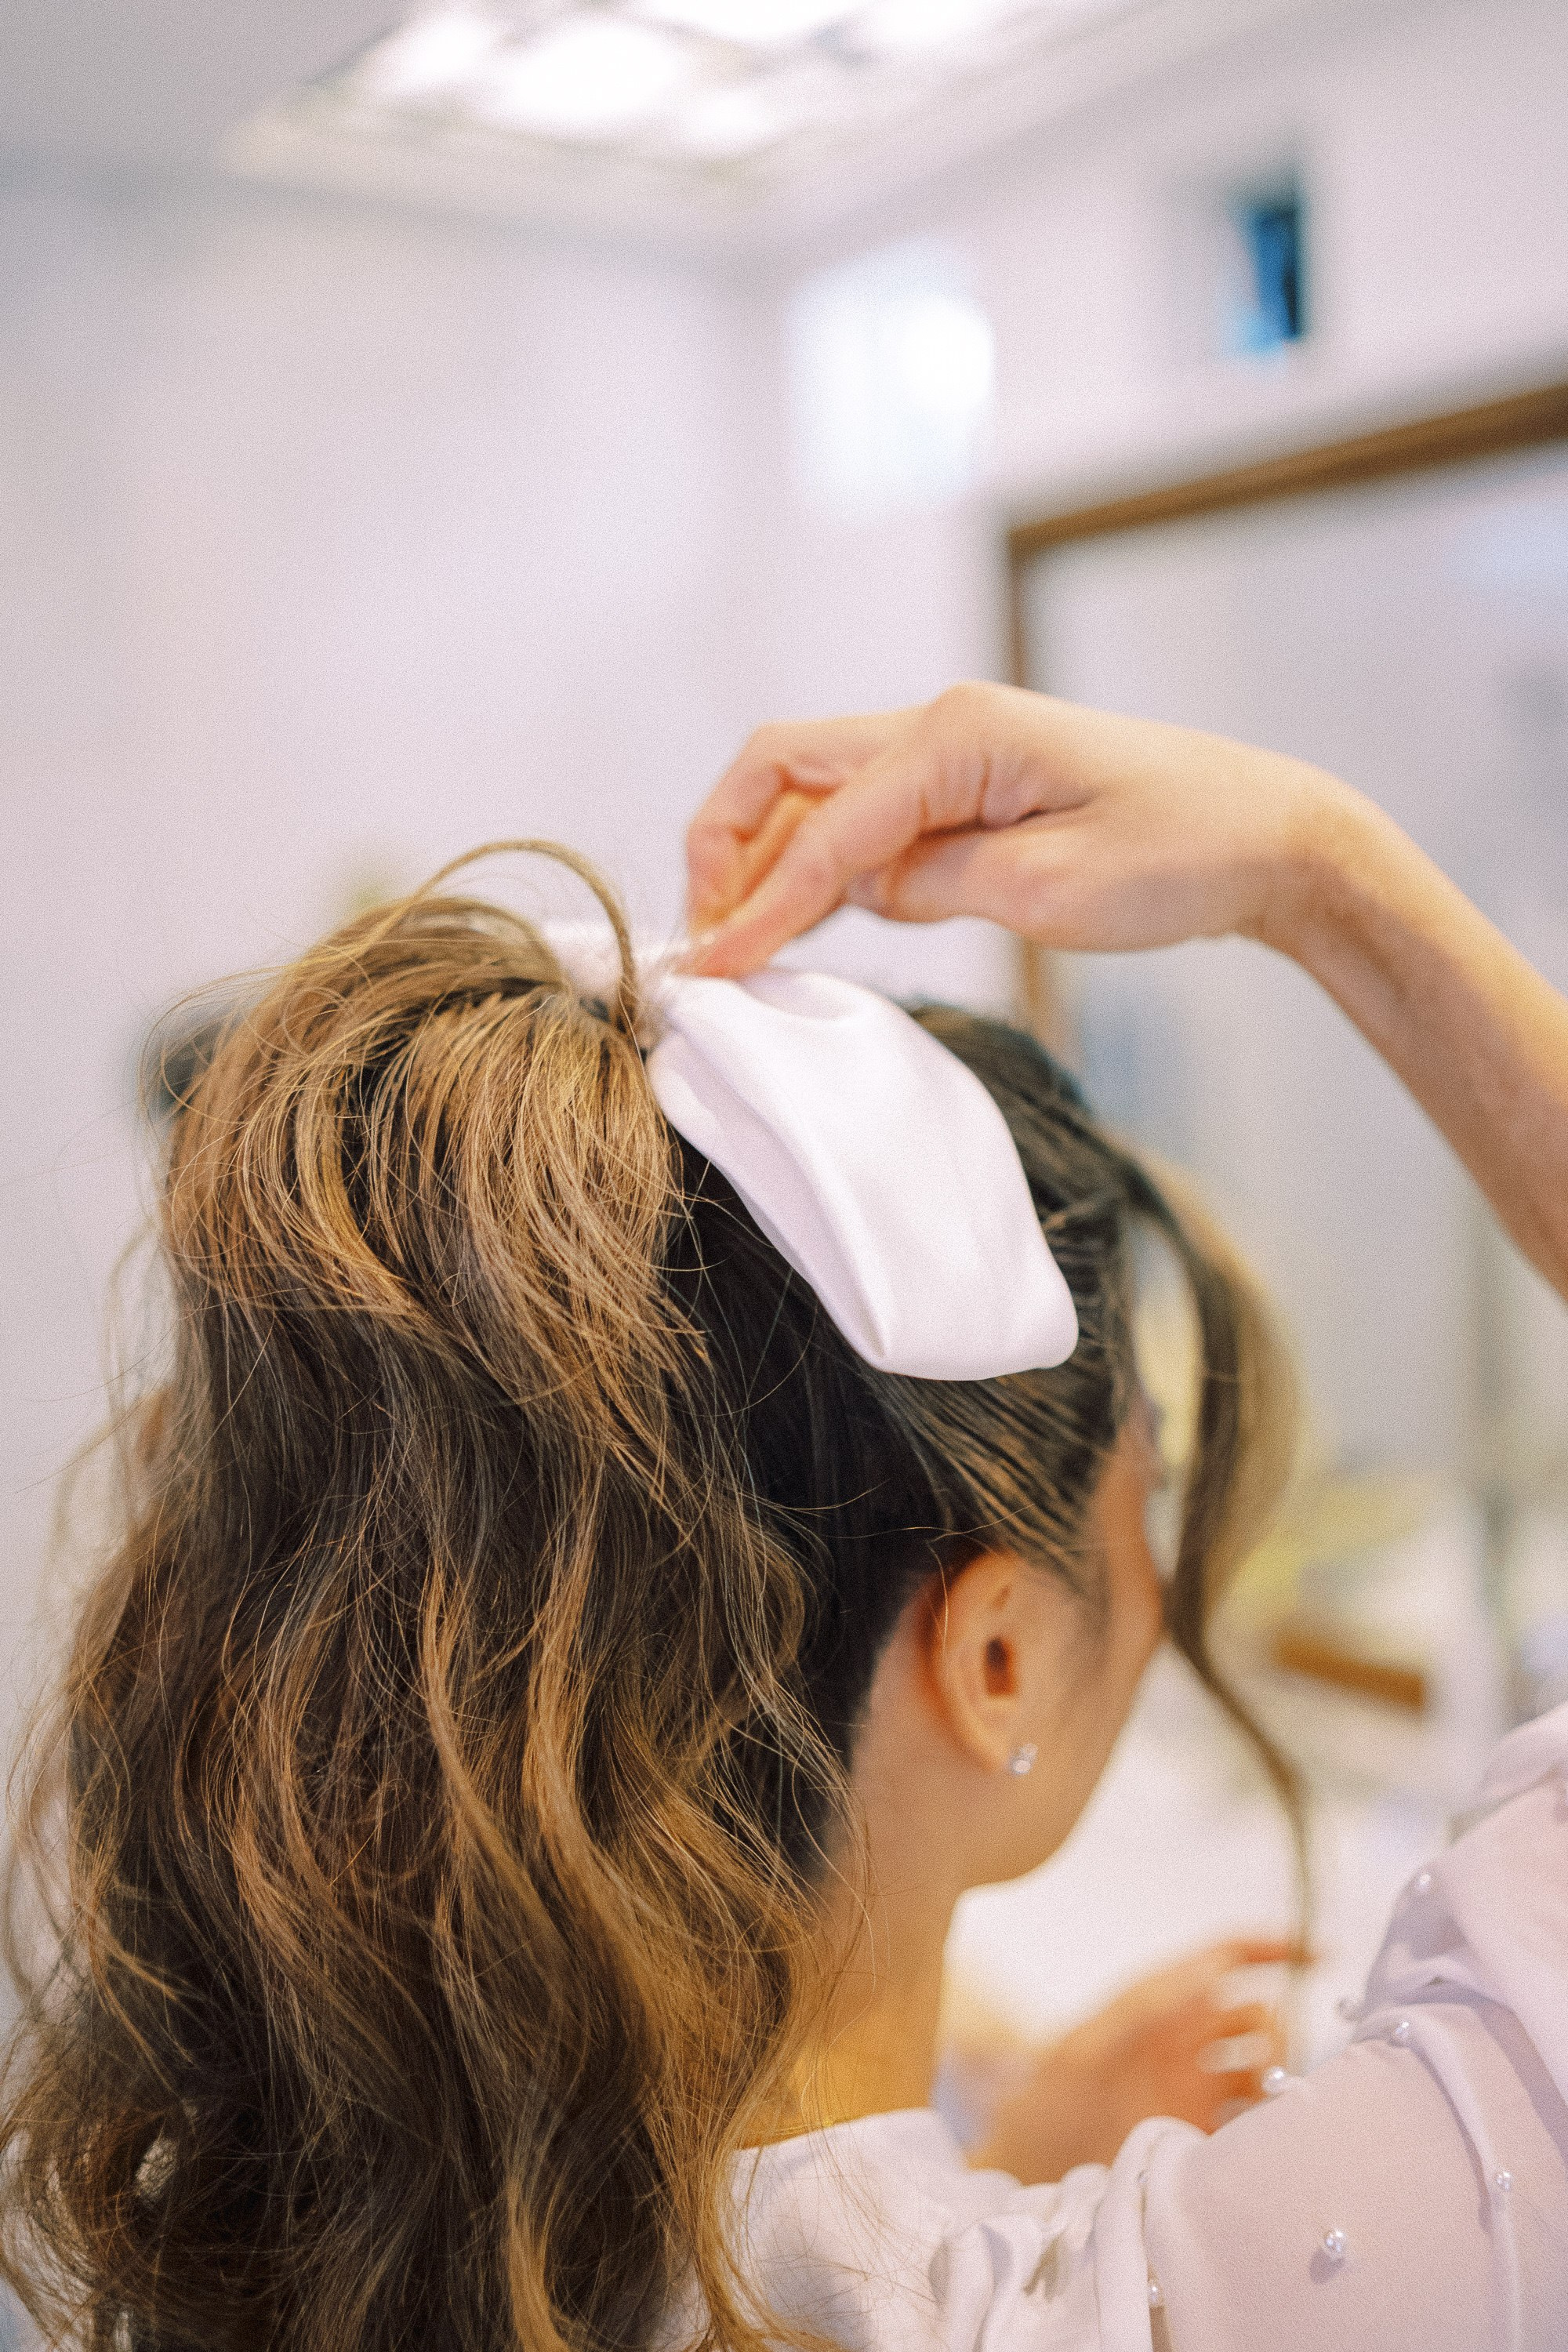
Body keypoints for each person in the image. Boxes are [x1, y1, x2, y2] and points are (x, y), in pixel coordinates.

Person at [0, 687, 1560, 2352]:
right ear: (996, 1660)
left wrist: (999, 2136)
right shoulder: (1212, 2296)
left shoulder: (350, 2200)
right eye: (1147, 1492)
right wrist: (1322, 875)